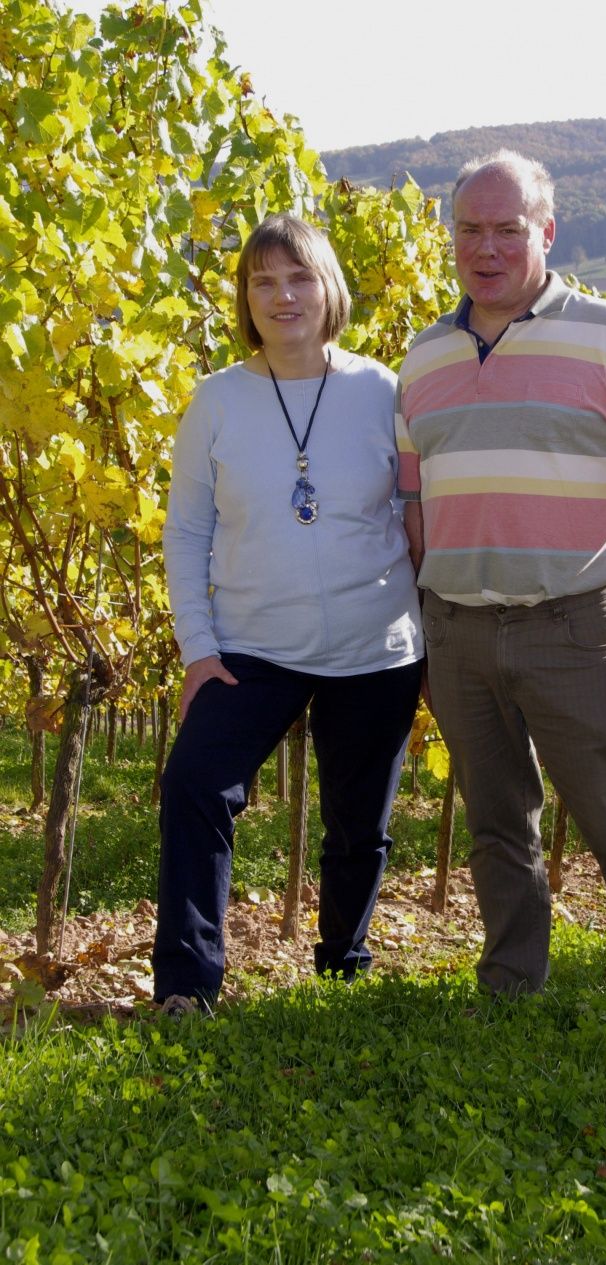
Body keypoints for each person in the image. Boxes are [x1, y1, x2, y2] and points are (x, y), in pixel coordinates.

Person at [396, 151, 606, 1051]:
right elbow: (414, 513)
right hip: (457, 633)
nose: (485, 248)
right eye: (469, 229)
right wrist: (426, 637)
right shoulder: (423, 357)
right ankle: (508, 990)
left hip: (574, 628)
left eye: (507, 229)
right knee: (498, 827)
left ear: (547, 230)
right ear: (451, 236)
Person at [152, 214, 423, 1017]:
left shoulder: (382, 391)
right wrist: (198, 649)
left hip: (375, 647)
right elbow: (188, 529)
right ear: (246, 298)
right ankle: (188, 986)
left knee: (358, 824)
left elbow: (416, 514)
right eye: (262, 282)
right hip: (250, 649)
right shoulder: (216, 401)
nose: (282, 295)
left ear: (328, 286)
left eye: (298, 277)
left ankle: (343, 965)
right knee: (195, 784)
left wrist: (433, 635)